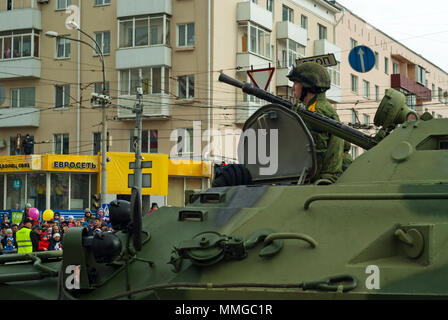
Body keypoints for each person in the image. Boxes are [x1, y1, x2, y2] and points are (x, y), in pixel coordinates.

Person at [286, 62, 344, 184]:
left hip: (317, 181)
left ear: (307, 86)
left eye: (296, 83)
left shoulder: (316, 112)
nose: (292, 88)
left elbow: (313, 154)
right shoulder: (318, 108)